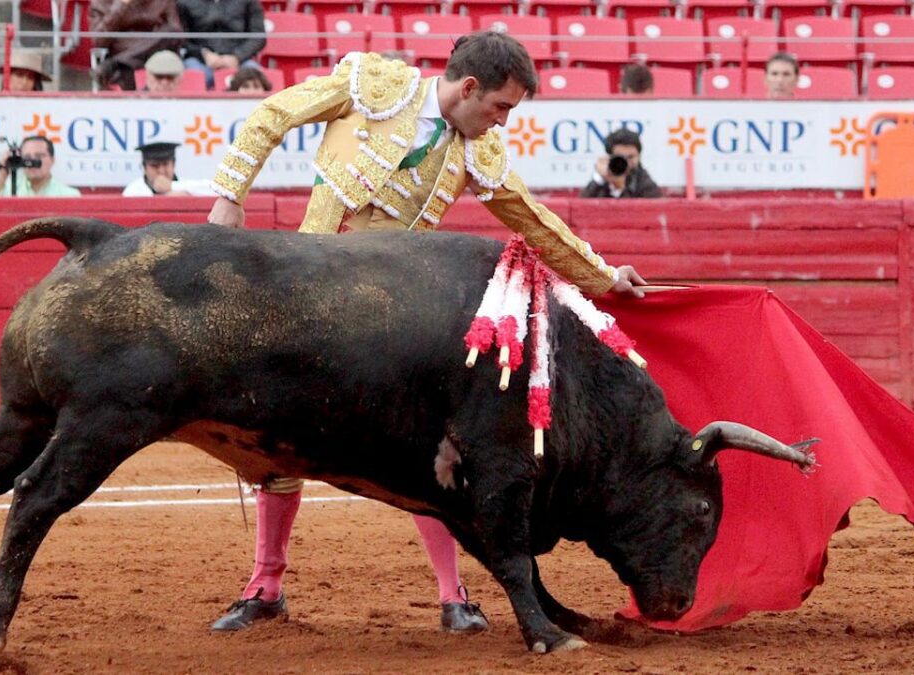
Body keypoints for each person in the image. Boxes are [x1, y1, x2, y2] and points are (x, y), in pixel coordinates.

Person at [205, 31, 648, 634]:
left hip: (391, 325)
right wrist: (230, 196)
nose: (500, 123)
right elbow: (273, 113)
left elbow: (531, 219)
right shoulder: (374, 87)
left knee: (430, 453)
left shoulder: (477, 151)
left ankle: (453, 595)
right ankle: (266, 584)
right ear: (469, 88)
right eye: (500, 108)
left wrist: (601, 276)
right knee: (280, 439)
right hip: (307, 300)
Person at [90, 0, 182, 91]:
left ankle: (118, 63)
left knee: (171, 31)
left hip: (156, 53)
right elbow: (99, 41)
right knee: (128, 68)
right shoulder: (101, 2)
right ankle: (121, 62)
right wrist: (121, 5)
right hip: (122, 51)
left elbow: (176, 31)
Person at [177, 0, 266, 90]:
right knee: (193, 80)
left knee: (255, 82)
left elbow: (258, 37)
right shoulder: (185, 3)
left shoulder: (249, 2)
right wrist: (203, 53)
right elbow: (181, 39)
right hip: (200, 60)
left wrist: (237, 57)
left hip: (241, 61)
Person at [0, 136, 81, 197]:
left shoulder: (69, 195)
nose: (32, 161)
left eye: (39, 156)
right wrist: (2, 175)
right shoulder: (6, 190)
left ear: (52, 160)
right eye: (27, 157)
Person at [582, 127, 663, 199]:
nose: (626, 163)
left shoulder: (645, 184)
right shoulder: (604, 177)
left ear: (639, 156)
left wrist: (619, 188)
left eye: (631, 157)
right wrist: (598, 178)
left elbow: (642, 211)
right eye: (620, 157)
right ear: (610, 157)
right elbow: (581, 208)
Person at [123, 141, 216, 196]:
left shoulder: (185, 185)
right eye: (154, 166)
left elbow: (215, 190)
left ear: (174, 164)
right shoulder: (133, 191)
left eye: (165, 164)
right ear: (144, 167)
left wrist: (172, 187)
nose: (161, 171)